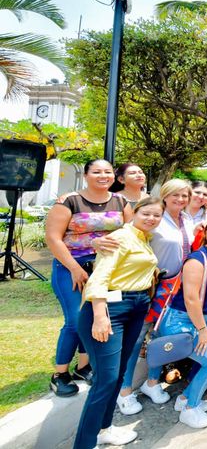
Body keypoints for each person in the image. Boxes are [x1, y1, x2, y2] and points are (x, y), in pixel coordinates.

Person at [72, 197, 163, 449]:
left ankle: (104, 429)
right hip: (110, 308)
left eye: (157, 215)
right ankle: (84, 443)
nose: (151, 219)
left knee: (118, 373)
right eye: (146, 213)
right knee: (106, 378)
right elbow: (99, 278)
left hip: (135, 306)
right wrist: (100, 317)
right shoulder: (121, 237)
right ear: (134, 212)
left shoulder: (144, 239)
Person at [45, 159, 133, 397]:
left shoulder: (120, 201)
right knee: (75, 321)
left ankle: (83, 367)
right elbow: (53, 238)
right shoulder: (69, 201)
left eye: (107, 172)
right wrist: (74, 267)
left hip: (106, 271)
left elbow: (130, 234)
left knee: (94, 319)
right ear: (86, 175)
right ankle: (59, 374)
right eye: (96, 172)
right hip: (72, 268)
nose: (102, 176)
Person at [118, 180, 194, 415]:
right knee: (137, 337)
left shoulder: (187, 219)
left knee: (161, 337)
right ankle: (124, 391)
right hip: (152, 287)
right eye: (175, 195)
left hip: (177, 288)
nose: (180, 200)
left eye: (184, 196)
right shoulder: (154, 219)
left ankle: (152, 382)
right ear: (165, 195)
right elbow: (128, 237)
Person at [154, 217, 207, 429]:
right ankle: (190, 409)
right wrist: (202, 331)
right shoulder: (196, 260)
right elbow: (191, 299)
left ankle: (185, 399)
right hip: (183, 320)